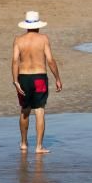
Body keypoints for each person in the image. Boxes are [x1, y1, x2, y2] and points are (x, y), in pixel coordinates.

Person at [12, 11, 63, 154]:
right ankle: (39, 146)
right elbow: (50, 60)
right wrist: (57, 78)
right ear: (38, 25)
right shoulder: (43, 39)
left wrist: (15, 81)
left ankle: (23, 143)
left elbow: (15, 61)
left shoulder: (18, 40)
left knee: (25, 110)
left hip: (23, 77)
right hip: (39, 77)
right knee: (39, 111)